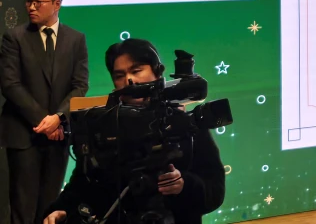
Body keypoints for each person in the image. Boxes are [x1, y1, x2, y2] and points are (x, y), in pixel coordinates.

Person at [43, 38, 226, 224]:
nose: (129, 80)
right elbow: (84, 183)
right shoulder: (104, 126)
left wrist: (183, 185)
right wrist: (62, 210)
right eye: (119, 75)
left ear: (157, 72)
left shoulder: (184, 123)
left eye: (137, 70)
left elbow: (215, 191)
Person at [0, 0, 89, 224]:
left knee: (51, 208)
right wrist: (46, 122)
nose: (31, 7)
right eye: (28, 1)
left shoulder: (76, 39)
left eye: (38, 2)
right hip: (24, 135)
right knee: (23, 209)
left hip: (59, 137)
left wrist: (59, 118)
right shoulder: (14, 37)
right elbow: (10, 85)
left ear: (56, 4)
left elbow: (80, 86)